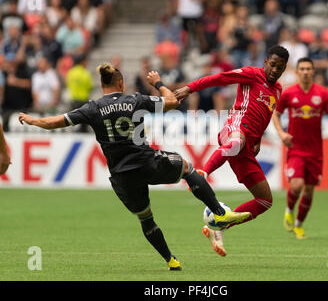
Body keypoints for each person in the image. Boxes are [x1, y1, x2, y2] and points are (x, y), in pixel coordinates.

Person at [18, 63, 250, 270]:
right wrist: (157, 82)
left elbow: (54, 122)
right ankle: (220, 214)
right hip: (147, 162)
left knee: (145, 218)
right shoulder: (135, 100)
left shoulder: (92, 108)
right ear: (121, 82)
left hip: (121, 176)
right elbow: (172, 101)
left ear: (102, 84)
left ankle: (171, 260)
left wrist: (33, 120)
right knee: (187, 169)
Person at [175, 45, 289, 256]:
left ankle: (217, 227)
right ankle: (202, 174)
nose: (275, 70)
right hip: (234, 129)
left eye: (280, 67)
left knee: (265, 200)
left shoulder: (278, 90)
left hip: (247, 146)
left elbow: (265, 114)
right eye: (273, 65)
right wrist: (190, 88)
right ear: (265, 62)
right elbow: (218, 78)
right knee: (236, 141)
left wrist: (259, 139)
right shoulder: (251, 74)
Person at [272, 57, 328, 239]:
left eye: (308, 69)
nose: (305, 72)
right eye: (302, 69)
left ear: (313, 71)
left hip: (316, 150)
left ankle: (299, 225)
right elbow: (276, 115)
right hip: (296, 148)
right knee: (297, 185)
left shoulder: (323, 93)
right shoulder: (289, 93)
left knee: (309, 190)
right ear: (297, 72)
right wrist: (282, 134)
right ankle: (289, 209)